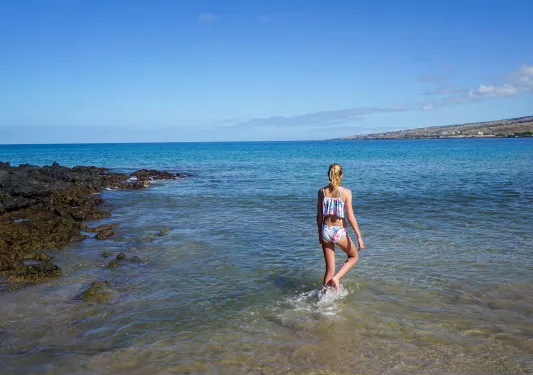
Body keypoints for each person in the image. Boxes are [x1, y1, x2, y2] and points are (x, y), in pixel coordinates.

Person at [317, 163, 365, 291]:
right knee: (353, 257)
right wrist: (359, 237)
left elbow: (319, 216)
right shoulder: (346, 192)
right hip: (339, 232)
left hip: (325, 230)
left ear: (329, 175)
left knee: (329, 269)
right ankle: (337, 278)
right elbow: (351, 217)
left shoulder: (322, 192)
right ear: (341, 176)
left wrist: (320, 234)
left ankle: (324, 299)